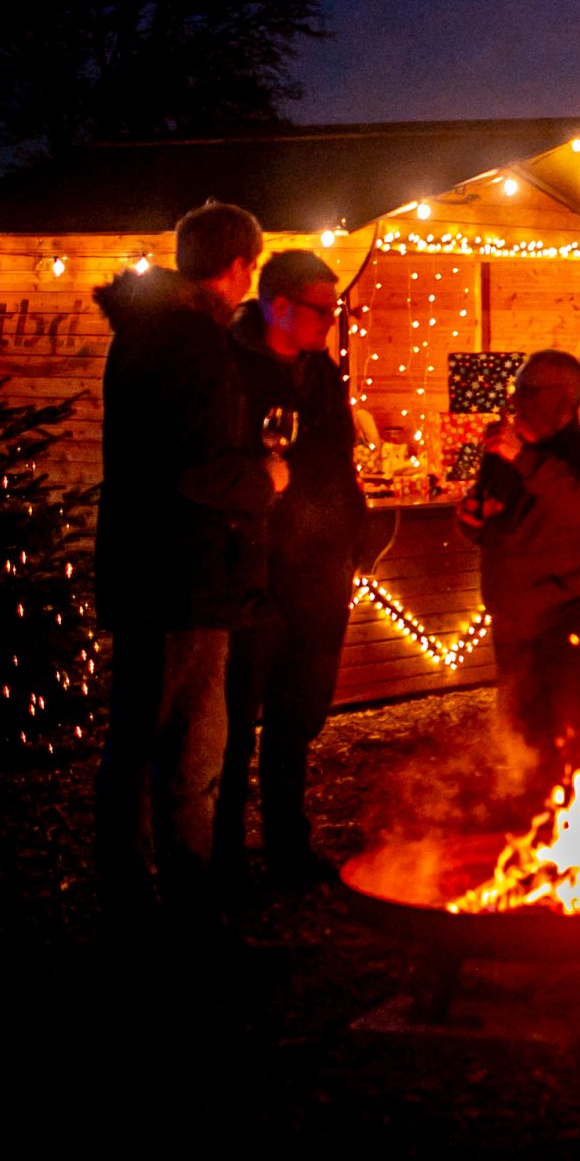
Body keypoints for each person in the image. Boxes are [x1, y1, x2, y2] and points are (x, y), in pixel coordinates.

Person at [94, 200, 286, 939]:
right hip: (185, 575)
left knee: (135, 739)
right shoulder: (194, 342)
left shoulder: (139, 333)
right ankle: (187, 914)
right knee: (188, 748)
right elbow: (195, 466)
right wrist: (265, 478)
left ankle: (130, 900)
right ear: (239, 266)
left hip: (142, 566)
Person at [216, 250, 365, 894]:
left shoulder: (322, 376)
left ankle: (286, 843)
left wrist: (351, 539)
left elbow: (339, 465)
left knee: (297, 714)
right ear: (278, 306)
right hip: (256, 573)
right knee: (234, 717)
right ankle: (221, 853)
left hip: (319, 572)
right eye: (321, 310)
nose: (331, 322)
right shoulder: (230, 371)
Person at [459, 352, 580, 782]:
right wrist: (474, 518)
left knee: (572, 736)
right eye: (516, 390)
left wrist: (525, 460)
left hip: (569, 618)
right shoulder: (505, 452)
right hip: (516, 621)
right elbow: (500, 524)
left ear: (565, 402)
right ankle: (530, 834)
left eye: (528, 392)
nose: (515, 402)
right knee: (521, 738)